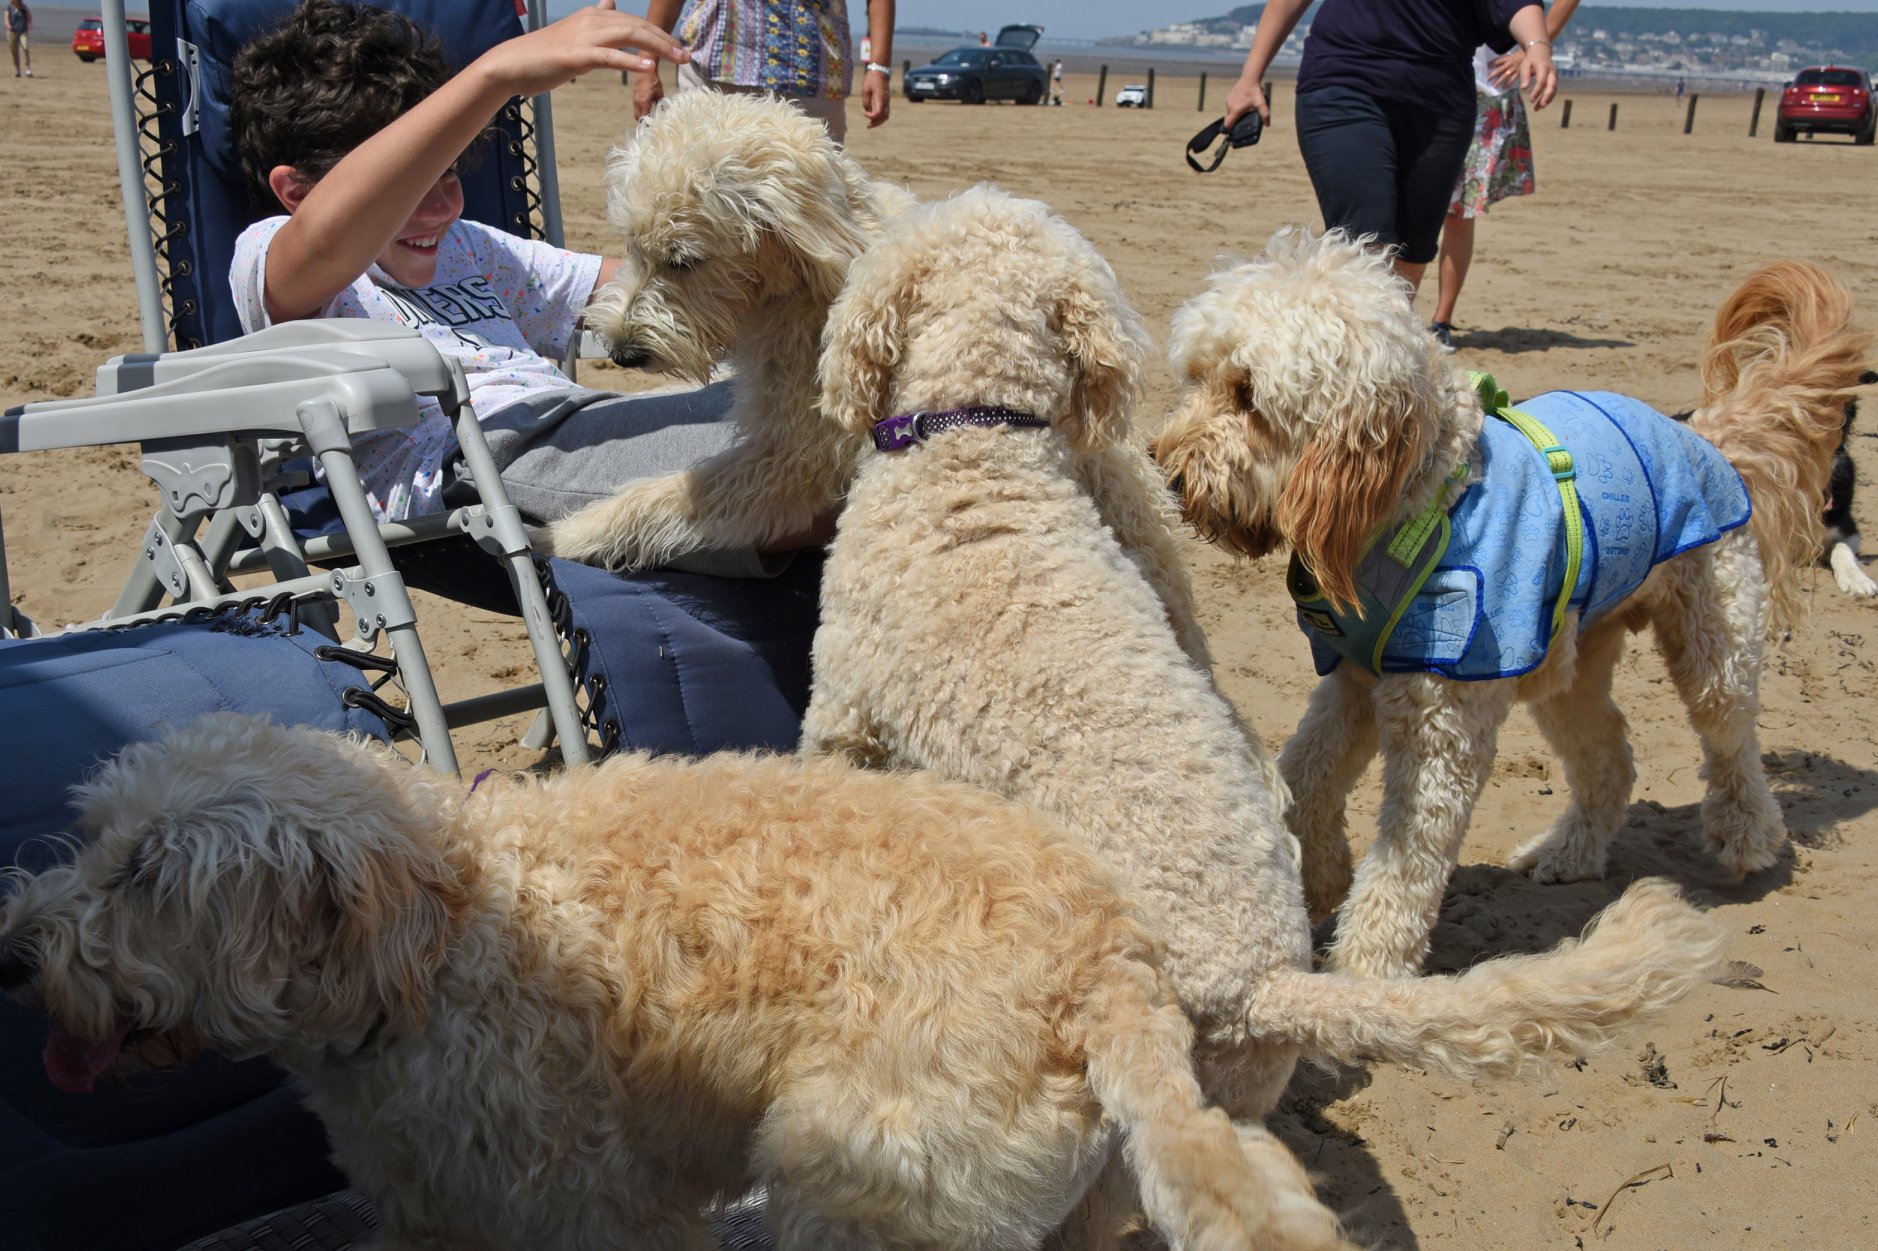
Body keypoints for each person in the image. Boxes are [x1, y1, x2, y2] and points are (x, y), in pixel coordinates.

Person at [227, 0, 806, 574]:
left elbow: (636, 281)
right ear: (299, 193)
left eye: (449, 172)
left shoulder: (472, 248)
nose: (439, 207)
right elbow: (328, 237)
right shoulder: (282, 261)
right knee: (808, 470)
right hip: (472, 466)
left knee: (824, 415)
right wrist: (495, 73)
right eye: (410, 186)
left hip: (576, 425)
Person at [1223, 0, 1558, 297]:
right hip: (1343, 82)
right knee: (1366, 240)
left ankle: (1386, 342)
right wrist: (1249, 77)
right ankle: (1361, 353)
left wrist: (1537, 46)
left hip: (1441, 102)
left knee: (1411, 251)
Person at [1429, 0, 1579, 348]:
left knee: (1458, 214)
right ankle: (1394, 315)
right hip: (1419, 77)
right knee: (1398, 206)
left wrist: (1531, 47)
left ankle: (1441, 320)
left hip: (1485, 86)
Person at [632, 0, 894, 143]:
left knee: (811, 208)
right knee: (700, 197)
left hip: (812, 75)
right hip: (714, 64)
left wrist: (878, 68)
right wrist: (647, 66)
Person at [6, 0, 30, 79]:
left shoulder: (24, 7)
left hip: (23, 31)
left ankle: (28, 70)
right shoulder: (9, 7)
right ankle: (18, 71)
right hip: (12, 32)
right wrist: (9, 26)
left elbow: (29, 17)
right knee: (14, 51)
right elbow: (6, 19)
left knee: (25, 48)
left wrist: (29, 24)